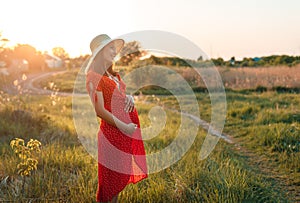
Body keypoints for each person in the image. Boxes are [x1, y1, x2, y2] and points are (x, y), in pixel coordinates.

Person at [84, 34, 148, 203]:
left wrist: (130, 98)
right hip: (112, 135)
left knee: (118, 181)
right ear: (100, 52)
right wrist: (125, 127)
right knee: (110, 184)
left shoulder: (113, 75)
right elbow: (99, 110)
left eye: (114, 48)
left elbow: (119, 97)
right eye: (110, 48)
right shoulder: (93, 76)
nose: (114, 52)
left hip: (123, 136)